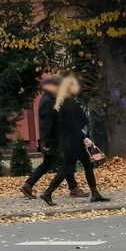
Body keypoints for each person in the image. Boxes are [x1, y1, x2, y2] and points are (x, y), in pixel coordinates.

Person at [39, 76, 110, 206]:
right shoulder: (69, 103)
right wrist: (85, 138)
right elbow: (78, 122)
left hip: (71, 141)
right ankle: (47, 193)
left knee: (86, 166)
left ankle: (95, 193)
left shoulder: (62, 102)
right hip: (76, 141)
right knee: (69, 168)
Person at [20, 75, 89, 199]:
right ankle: (72, 188)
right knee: (66, 162)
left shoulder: (49, 99)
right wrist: (46, 141)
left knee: (52, 163)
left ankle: (29, 185)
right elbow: (47, 122)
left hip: (52, 139)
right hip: (52, 140)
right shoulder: (48, 101)